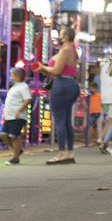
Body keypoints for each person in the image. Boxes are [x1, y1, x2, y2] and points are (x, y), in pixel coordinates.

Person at [42, 27, 81, 164]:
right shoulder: (73, 50)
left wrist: (43, 67)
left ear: (65, 37)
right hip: (71, 85)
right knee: (66, 122)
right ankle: (69, 151)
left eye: (60, 34)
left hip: (61, 84)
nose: (58, 36)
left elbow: (57, 70)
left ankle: (62, 152)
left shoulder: (65, 50)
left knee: (59, 121)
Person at [1, 66, 33, 164]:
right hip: (9, 116)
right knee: (3, 135)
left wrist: (19, 110)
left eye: (12, 76)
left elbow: (28, 99)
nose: (10, 78)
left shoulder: (23, 87)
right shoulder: (14, 87)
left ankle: (16, 158)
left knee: (13, 136)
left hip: (17, 117)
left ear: (17, 77)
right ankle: (18, 150)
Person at [97, 50, 112, 155]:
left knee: (109, 121)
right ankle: (102, 141)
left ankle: (103, 138)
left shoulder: (104, 66)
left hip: (104, 97)